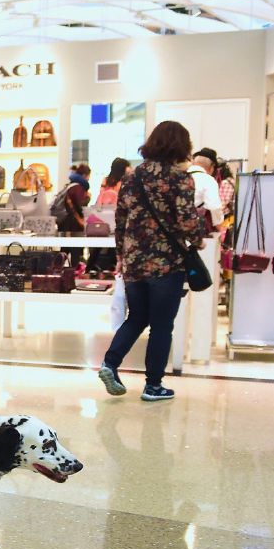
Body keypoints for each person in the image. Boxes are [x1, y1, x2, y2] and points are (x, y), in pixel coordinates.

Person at [99, 121, 205, 402]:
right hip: (166, 263)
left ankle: (109, 363)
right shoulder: (181, 179)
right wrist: (198, 239)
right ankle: (153, 385)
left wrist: (122, 255)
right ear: (182, 146)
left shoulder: (132, 177)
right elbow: (186, 220)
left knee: (137, 318)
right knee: (161, 325)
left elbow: (120, 220)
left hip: (134, 261)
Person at [59, 163, 92, 268]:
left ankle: (58, 270)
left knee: (65, 248)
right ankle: (74, 273)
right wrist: (88, 198)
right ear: (85, 175)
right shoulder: (78, 187)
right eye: (88, 176)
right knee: (75, 248)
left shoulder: (70, 185)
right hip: (73, 222)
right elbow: (79, 205)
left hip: (65, 222)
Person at [189, 147, 224, 233]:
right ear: (212, 167)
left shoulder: (181, 176)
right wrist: (220, 228)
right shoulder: (208, 180)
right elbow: (214, 207)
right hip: (196, 230)